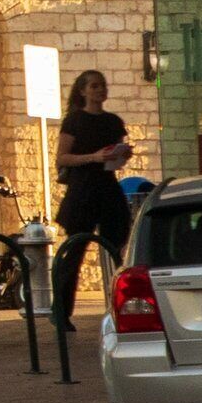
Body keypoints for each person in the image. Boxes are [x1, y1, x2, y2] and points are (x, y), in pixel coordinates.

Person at [51, 67, 137, 328]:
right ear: (83, 91)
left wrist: (121, 155)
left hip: (107, 188)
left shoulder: (113, 122)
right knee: (75, 250)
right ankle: (61, 311)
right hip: (82, 190)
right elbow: (62, 157)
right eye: (94, 86)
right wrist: (94, 157)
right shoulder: (75, 121)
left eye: (103, 85)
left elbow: (118, 156)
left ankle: (124, 306)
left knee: (118, 248)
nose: (101, 90)